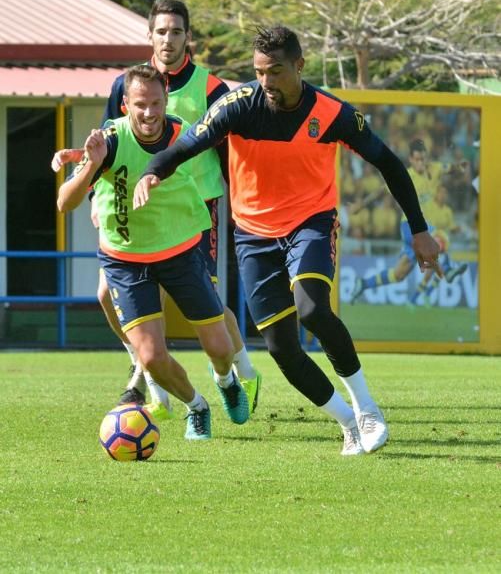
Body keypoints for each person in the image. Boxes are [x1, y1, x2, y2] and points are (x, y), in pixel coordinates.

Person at [132, 25, 442, 456]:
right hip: (253, 236)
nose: (267, 82)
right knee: (281, 347)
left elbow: (388, 163)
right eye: (259, 72)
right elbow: (187, 144)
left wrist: (419, 228)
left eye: (276, 71)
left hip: (310, 223)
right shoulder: (237, 107)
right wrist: (153, 170)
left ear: (299, 65)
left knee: (313, 308)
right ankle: (349, 423)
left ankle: (368, 408)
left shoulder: (332, 113)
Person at [52, 0, 261, 418]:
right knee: (107, 293)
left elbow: (227, 152)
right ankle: (150, 376)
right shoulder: (126, 85)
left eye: (177, 31)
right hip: (132, 216)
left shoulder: (212, 88)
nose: (168, 39)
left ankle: (242, 371)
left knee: (208, 309)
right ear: (149, 36)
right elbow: (108, 144)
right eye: (161, 31)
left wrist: (239, 205)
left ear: (189, 38)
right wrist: (95, 197)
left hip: (194, 209)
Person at [350, 138, 468, 304]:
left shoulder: (434, 169)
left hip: (423, 230)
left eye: (423, 159)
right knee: (440, 235)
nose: (421, 163)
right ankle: (448, 270)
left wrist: (459, 167)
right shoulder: (405, 175)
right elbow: (382, 191)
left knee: (399, 274)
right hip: (409, 226)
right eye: (417, 159)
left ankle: (362, 284)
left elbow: (450, 169)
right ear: (411, 159)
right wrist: (361, 204)